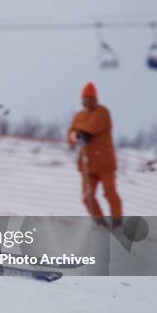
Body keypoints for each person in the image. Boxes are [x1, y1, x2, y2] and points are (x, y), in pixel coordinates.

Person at [67, 82, 122, 219]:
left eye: (90, 98)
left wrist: (80, 134)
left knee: (110, 194)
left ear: (95, 98)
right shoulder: (78, 116)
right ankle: (100, 224)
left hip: (104, 163)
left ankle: (117, 224)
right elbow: (72, 133)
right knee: (87, 198)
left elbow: (90, 130)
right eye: (85, 98)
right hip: (87, 164)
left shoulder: (102, 112)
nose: (87, 101)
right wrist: (74, 136)